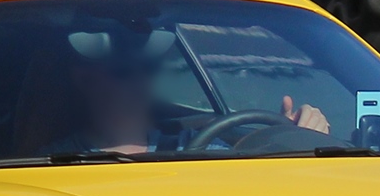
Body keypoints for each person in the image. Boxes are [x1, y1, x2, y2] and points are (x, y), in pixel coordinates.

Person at [47, 28, 329, 155]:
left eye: (147, 68)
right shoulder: (53, 162)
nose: (139, 82)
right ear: (85, 80)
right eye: (123, 71)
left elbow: (252, 188)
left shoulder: (195, 146)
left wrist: (295, 139)